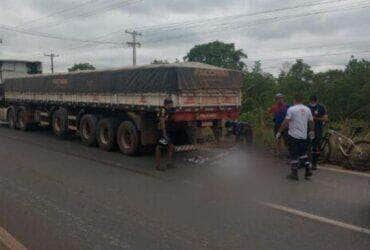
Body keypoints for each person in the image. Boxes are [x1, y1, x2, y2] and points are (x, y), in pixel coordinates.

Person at [277, 93, 315, 181]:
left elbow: (286, 122)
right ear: (302, 100)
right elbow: (311, 121)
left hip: (293, 135)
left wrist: (279, 132)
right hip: (303, 136)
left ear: (295, 100)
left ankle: (294, 174)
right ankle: (308, 169)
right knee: (303, 154)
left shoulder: (291, 109)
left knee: (293, 154)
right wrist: (312, 131)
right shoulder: (307, 109)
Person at [307, 95, 328, 170]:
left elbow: (325, 119)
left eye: (313, 101)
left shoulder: (321, 107)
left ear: (316, 101)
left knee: (315, 147)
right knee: (308, 146)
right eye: (311, 101)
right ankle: (306, 162)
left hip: (317, 129)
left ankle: (314, 163)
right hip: (308, 129)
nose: (312, 103)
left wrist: (315, 118)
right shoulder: (307, 107)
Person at [155, 98, 175, 171]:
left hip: (167, 131)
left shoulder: (169, 111)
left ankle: (168, 163)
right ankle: (158, 165)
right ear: (167, 104)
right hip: (162, 131)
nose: (172, 105)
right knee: (160, 147)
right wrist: (164, 134)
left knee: (171, 146)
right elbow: (162, 122)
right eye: (170, 104)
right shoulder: (162, 111)